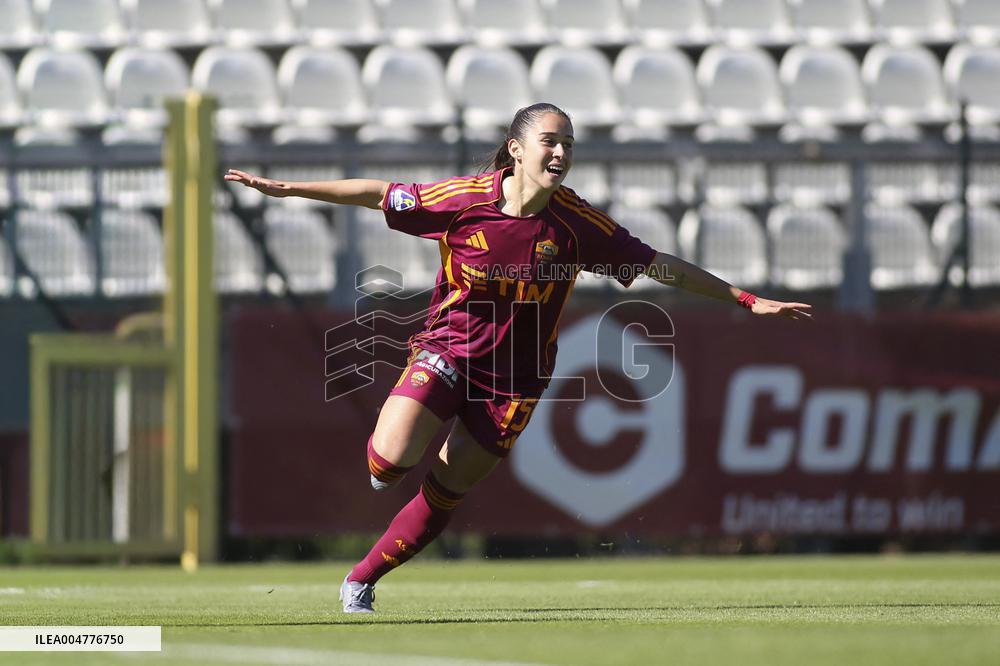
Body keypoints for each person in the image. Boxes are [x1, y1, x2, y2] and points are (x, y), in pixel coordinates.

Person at [225, 102, 812, 614]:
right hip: (447, 350)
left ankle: (360, 581)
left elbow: (659, 263)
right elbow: (381, 193)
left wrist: (744, 297)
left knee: (448, 489)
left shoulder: (579, 226)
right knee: (388, 464)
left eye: (568, 144)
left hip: (516, 381)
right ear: (516, 149)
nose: (560, 152)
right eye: (549, 141)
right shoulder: (463, 200)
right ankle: (384, 465)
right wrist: (291, 189)